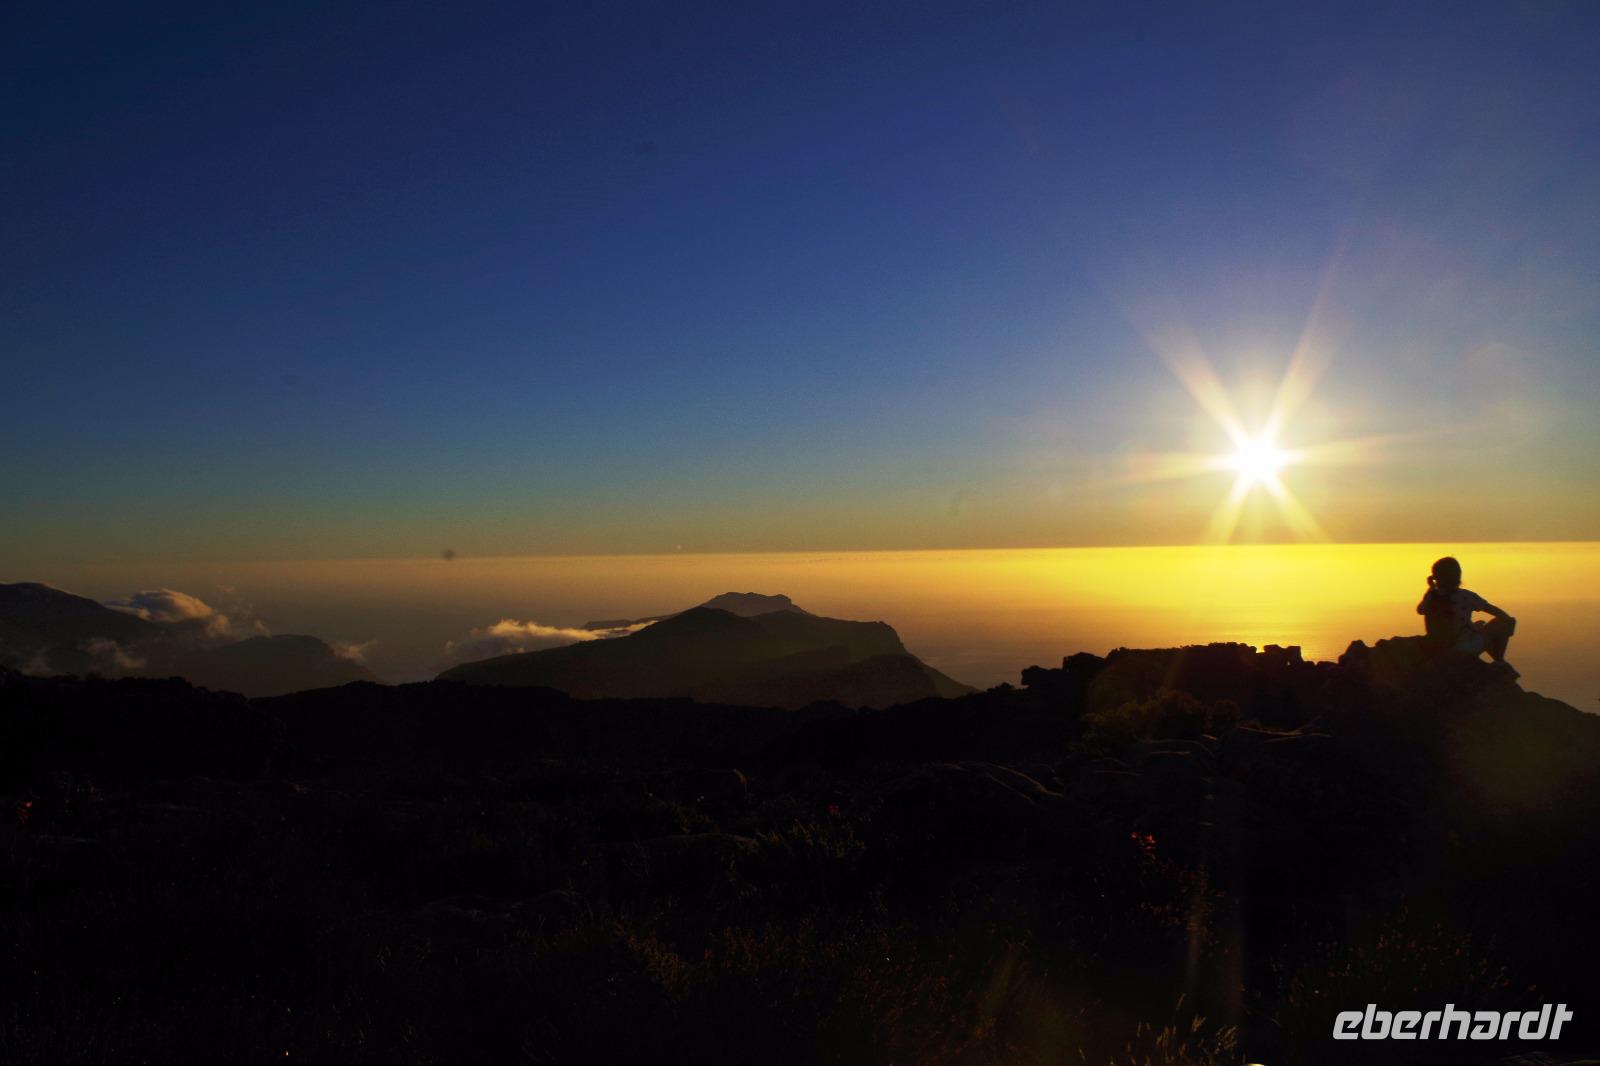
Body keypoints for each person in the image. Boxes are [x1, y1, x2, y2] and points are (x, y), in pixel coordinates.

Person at [1417, 556, 1518, 677]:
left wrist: (1432, 588)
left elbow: (1420, 610)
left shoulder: (1431, 596)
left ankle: (1498, 661)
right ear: (1458, 576)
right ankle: (1499, 660)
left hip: (1440, 647)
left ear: (1436, 577)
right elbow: (1497, 613)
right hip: (1463, 649)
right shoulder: (1467, 596)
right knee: (1502, 622)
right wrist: (1510, 623)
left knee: (1480, 625)